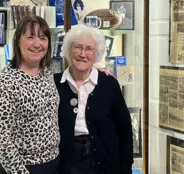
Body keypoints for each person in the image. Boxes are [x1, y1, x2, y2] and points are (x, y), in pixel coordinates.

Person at [55, 24, 133, 174]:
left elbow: (125, 131)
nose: (82, 54)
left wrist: (125, 168)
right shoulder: (55, 84)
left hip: (105, 164)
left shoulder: (109, 84)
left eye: (89, 49)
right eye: (78, 47)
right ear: (69, 50)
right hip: (67, 164)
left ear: (96, 54)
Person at [0, 16, 60, 174]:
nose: (37, 44)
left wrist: (96, 71)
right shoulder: (5, 82)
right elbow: (0, 139)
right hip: (22, 167)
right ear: (18, 41)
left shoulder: (47, 73)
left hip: (54, 162)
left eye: (43, 38)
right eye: (30, 37)